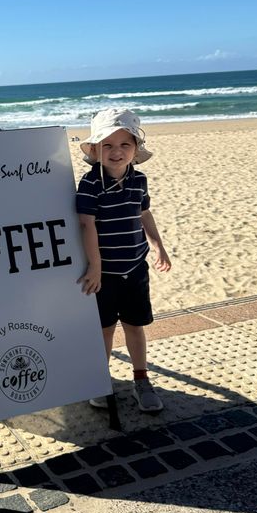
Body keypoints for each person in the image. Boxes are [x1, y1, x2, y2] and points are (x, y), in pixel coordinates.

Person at [76, 108, 171, 412]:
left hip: (136, 268)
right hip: (104, 274)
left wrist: (158, 246)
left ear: (135, 149)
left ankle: (141, 379)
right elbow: (86, 224)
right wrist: (95, 265)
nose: (116, 152)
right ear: (95, 149)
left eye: (124, 145)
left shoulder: (139, 181)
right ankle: (101, 382)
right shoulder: (90, 184)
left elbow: (144, 214)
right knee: (104, 329)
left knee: (135, 325)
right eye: (108, 145)